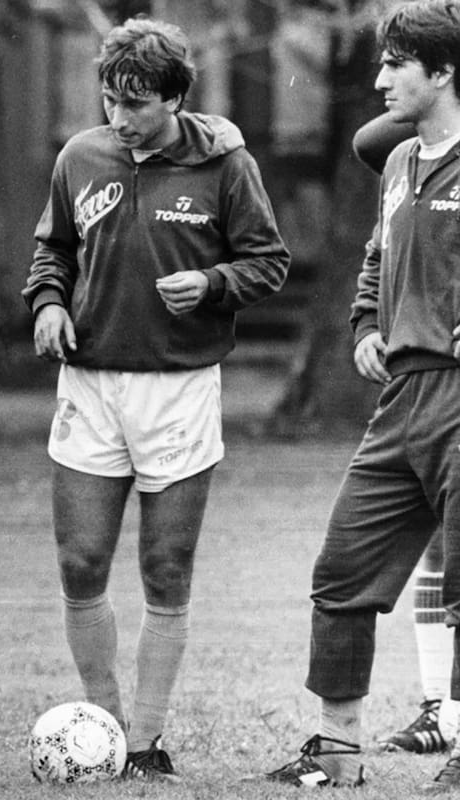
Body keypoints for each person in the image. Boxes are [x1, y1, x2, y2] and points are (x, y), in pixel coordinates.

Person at [23, 16, 290, 780]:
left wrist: (211, 283)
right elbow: (54, 249)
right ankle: (101, 725)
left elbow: (269, 262)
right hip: (91, 383)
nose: (120, 118)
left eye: (136, 104)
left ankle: (145, 741)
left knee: (166, 568)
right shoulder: (82, 156)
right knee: (80, 560)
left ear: (174, 98)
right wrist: (47, 303)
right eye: (110, 99)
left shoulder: (226, 164)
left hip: (179, 388)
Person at [261, 0, 460, 789]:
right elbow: (377, 261)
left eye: (396, 66)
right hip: (400, 399)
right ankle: (338, 757)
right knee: (341, 574)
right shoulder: (402, 162)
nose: (378, 80)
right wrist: (362, 324)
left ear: (443, 72)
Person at [352, 113, 460, 757]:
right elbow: (370, 141)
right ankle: (439, 711)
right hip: (426, 377)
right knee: (440, 549)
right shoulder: (413, 156)